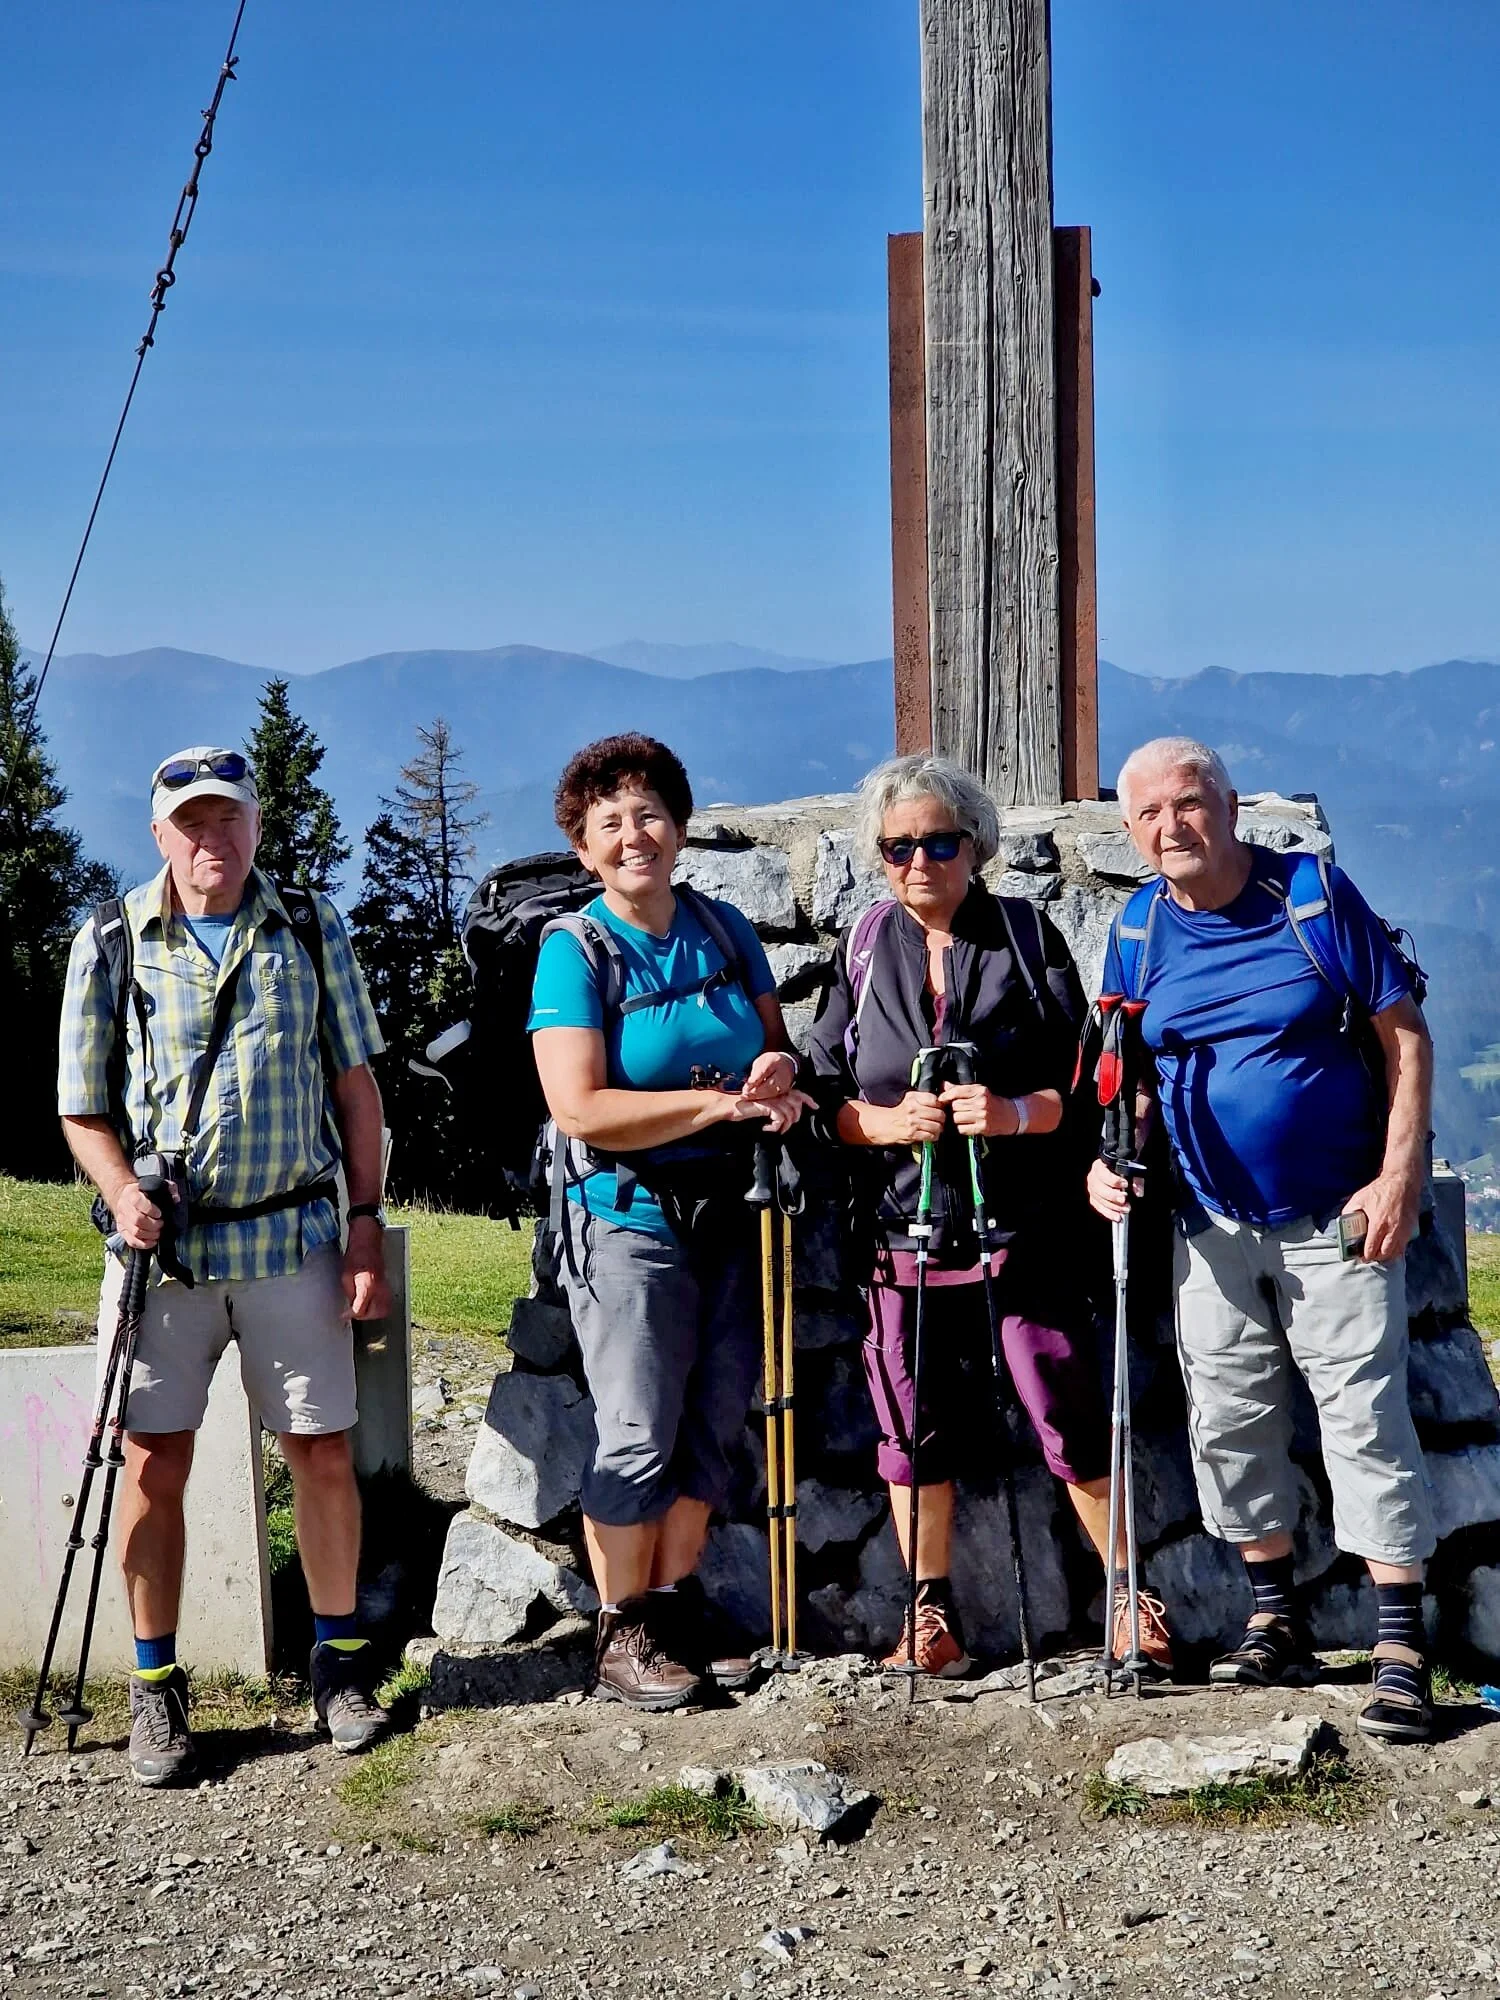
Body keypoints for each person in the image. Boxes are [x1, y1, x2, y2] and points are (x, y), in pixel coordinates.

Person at [1088, 736, 1436, 1740]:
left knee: (1363, 1417)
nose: (1172, 827)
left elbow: (1402, 1032)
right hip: (1207, 1219)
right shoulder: (1139, 927)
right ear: (1129, 831)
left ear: (1229, 805)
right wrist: (1111, 1160)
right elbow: (1130, 1071)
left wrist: (1400, 1173)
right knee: (1230, 1420)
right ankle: (1273, 1617)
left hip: (1339, 1213)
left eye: (1189, 803)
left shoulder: (1312, 897)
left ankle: (1401, 1644)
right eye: (1150, 814)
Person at [57, 746, 392, 1785]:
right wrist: (121, 1194)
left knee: (321, 1454)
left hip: (294, 1235)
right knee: (154, 1467)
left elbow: (356, 1083)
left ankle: (336, 1663)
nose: (214, 839)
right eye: (191, 822)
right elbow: (81, 1105)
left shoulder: (309, 923)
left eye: (229, 819)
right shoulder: (111, 938)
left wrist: (367, 1222)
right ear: (160, 834)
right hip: (165, 1255)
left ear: (255, 826)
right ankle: (155, 1685)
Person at [805, 753, 1173, 1678]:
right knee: (910, 1419)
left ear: (977, 846)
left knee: (1065, 1403)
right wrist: (889, 1122)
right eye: (898, 849)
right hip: (901, 1231)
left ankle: (1131, 1600)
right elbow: (824, 1092)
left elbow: (1081, 1086)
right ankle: (928, 1617)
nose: (919, 862)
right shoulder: (864, 947)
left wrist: (1009, 1115)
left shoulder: (1023, 934)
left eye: (939, 843)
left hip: (1021, 1228)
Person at [529, 732, 809, 1710]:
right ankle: (620, 1631)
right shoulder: (576, 953)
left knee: (712, 1425)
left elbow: (774, 1051)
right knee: (638, 1431)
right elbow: (580, 1106)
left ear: (681, 827)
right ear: (584, 849)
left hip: (729, 1211)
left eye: (649, 813)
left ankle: (674, 1609)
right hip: (627, 1219)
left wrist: (777, 1082)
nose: (633, 833)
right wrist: (715, 1106)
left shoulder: (726, 929)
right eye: (610, 822)